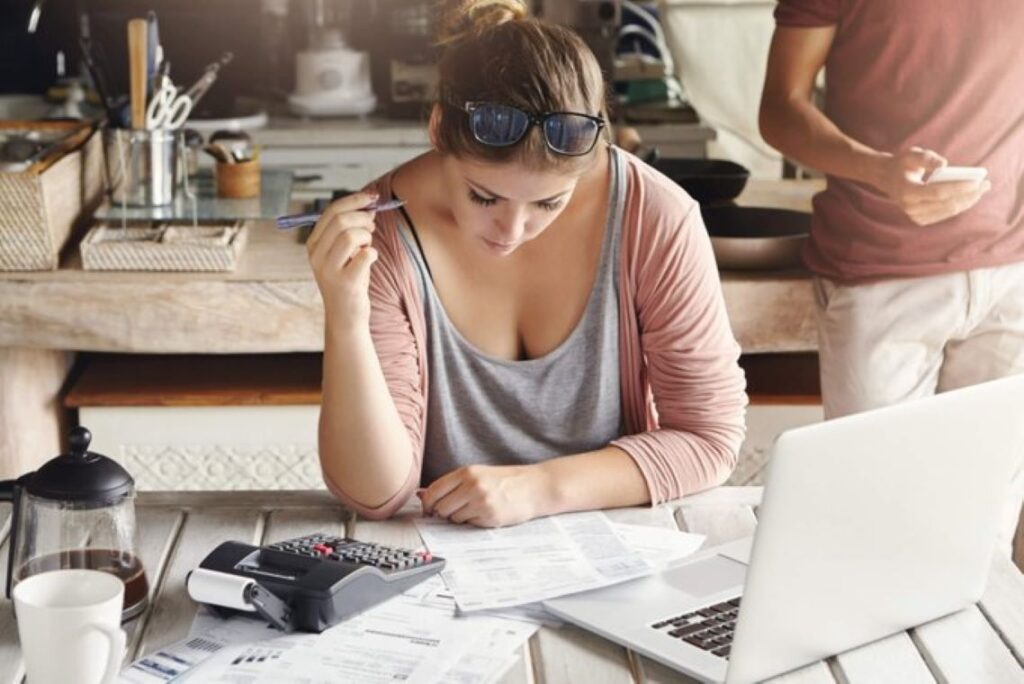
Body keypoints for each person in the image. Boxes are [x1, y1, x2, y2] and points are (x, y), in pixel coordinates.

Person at [307, 0, 747, 527]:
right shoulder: (381, 234)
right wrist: (345, 317)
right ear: (437, 126)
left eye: (548, 204)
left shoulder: (655, 216)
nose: (512, 232)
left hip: (616, 552)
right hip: (444, 571)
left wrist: (539, 489)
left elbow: (709, 439)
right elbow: (373, 495)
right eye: (484, 197)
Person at [759, 0, 1024, 555]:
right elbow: (781, 108)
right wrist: (878, 170)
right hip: (879, 272)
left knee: (985, 538)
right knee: (874, 533)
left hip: (1012, 273)